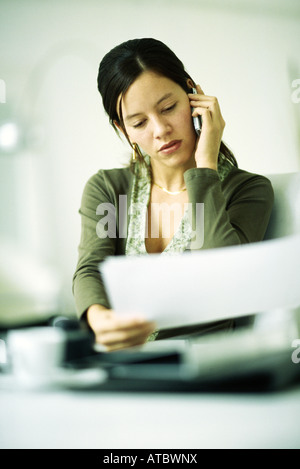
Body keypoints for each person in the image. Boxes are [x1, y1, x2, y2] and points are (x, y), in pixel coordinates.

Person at [72, 38, 274, 351]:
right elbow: (91, 268)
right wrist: (100, 320)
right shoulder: (108, 190)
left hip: (204, 368)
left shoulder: (248, 190)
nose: (160, 129)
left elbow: (224, 275)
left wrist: (205, 165)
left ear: (193, 95)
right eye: (139, 122)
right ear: (123, 130)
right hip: (126, 366)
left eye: (168, 108)